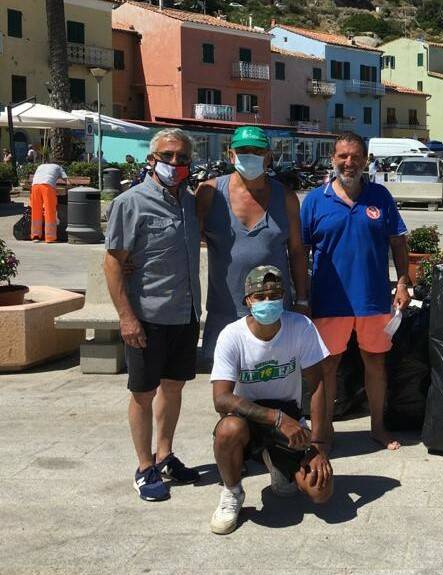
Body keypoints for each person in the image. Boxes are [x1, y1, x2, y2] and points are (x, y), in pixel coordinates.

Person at [104, 128, 202, 502]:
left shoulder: (190, 203)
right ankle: (145, 468)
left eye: (182, 158)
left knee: (173, 388)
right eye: (168, 156)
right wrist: (126, 318)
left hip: (184, 312)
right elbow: (113, 264)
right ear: (152, 159)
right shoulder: (130, 203)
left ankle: (165, 454)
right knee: (143, 392)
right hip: (146, 315)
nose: (175, 163)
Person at [301, 132, 411, 451]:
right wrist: (302, 297)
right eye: (342, 156)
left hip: (373, 299)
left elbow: (399, 242)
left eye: (355, 157)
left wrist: (402, 282)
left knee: (375, 363)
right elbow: (300, 252)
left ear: (365, 160)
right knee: (327, 368)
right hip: (328, 301)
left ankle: (378, 427)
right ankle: (323, 433)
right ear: (333, 159)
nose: (349, 163)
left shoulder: (380, 196)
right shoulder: (314, 200)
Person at [208, 265, 333, 535]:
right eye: (261, 297)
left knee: (321, 491)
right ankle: (232, 492)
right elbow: (221, 399)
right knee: (228, 430)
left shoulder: (300, 326)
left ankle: (279, 466)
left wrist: (319, 444)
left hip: (289, 418)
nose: (268, 302)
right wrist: (276, 418)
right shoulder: (232, 335)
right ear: (248, 301)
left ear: (284, 297)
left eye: (275, 296)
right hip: (248, 418)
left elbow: (318, 382)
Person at [196, 126, 308, 366]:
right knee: (227, 390)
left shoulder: (286, 197)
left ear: (268, 156)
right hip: (225, 311)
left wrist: (303, 300)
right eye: (243, 150)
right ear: (230, 154)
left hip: (274, 308)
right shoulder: (209, 193)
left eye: (257, 151)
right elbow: (185, 240)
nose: (250, 156)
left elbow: (297, 252)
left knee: (274, 376)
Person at [29, 163, 67, 243]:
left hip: (35, 186)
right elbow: (67, 180)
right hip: (47, 186)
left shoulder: (40, 166)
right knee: (49, 210)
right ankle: (50, 237)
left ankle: (36, 236)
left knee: (36, 211)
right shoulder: (59, 167)